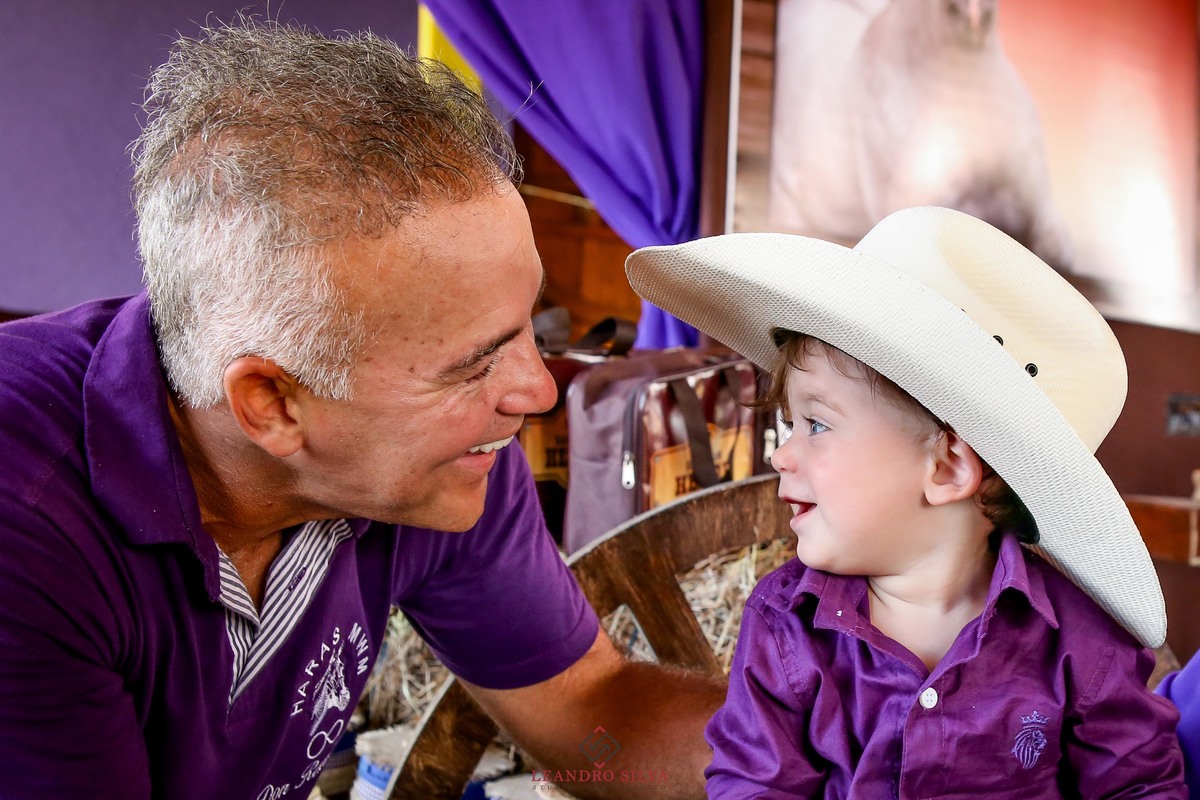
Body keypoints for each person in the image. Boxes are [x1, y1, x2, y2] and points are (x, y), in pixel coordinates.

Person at [0, 19, 723, 800]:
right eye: (476, 361)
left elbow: (590, 714)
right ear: (272, 403)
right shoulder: (29, 535)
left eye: (525, 329)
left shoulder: (444, 461)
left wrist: (826, 740)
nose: (537, 392)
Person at [624, 205, 1185, 797]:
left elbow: (1139, 785)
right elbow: (753, 783)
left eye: (815, 424)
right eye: (787, 424)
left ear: (946, 468)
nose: (780, 456)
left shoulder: (1079, 639)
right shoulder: (785, 624)